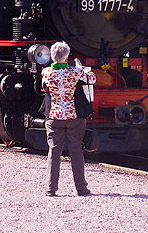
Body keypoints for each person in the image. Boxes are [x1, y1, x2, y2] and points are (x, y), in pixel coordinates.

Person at [41, 41, 96, 197]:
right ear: (66, 58)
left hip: (53, 117)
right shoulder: (73, 72)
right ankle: (81, 189)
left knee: (54, 152)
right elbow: (92, 79)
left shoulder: (46, 72)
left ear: (52, 57)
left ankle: (51, 189)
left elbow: (42, 86)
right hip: (73, 117)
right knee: (77, 152)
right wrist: (80, 68)